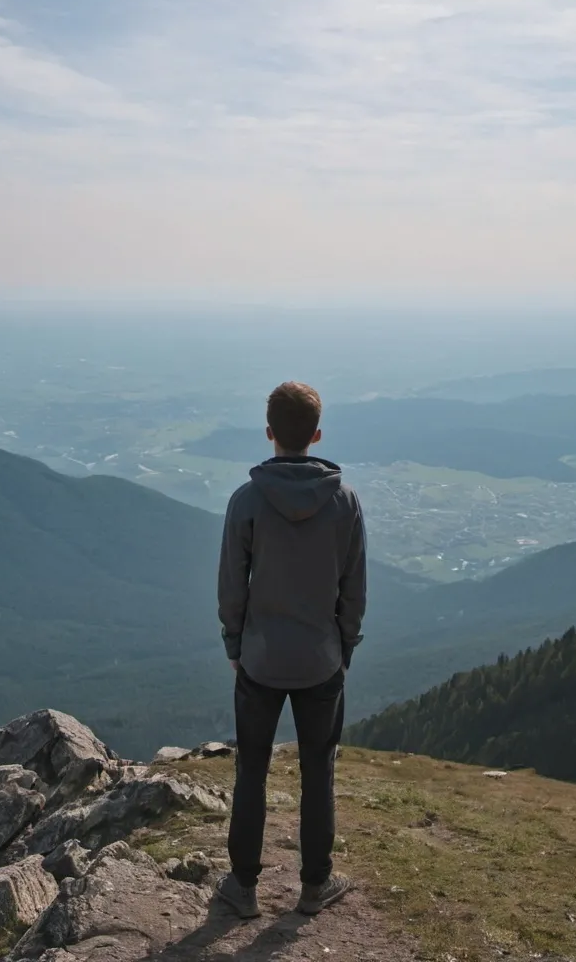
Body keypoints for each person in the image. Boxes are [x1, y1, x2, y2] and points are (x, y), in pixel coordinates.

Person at [215, 380, 367, 919]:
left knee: (251, 769)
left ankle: (243, 886)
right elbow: (354, 587)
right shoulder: (345, 501)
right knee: (317, 770)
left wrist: (235, 642)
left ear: (270, 433)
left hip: (258, 658)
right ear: (317, 435)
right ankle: (314, 885)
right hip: (321, 660)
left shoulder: (248, 500)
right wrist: (343, 646)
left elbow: (232, 583)